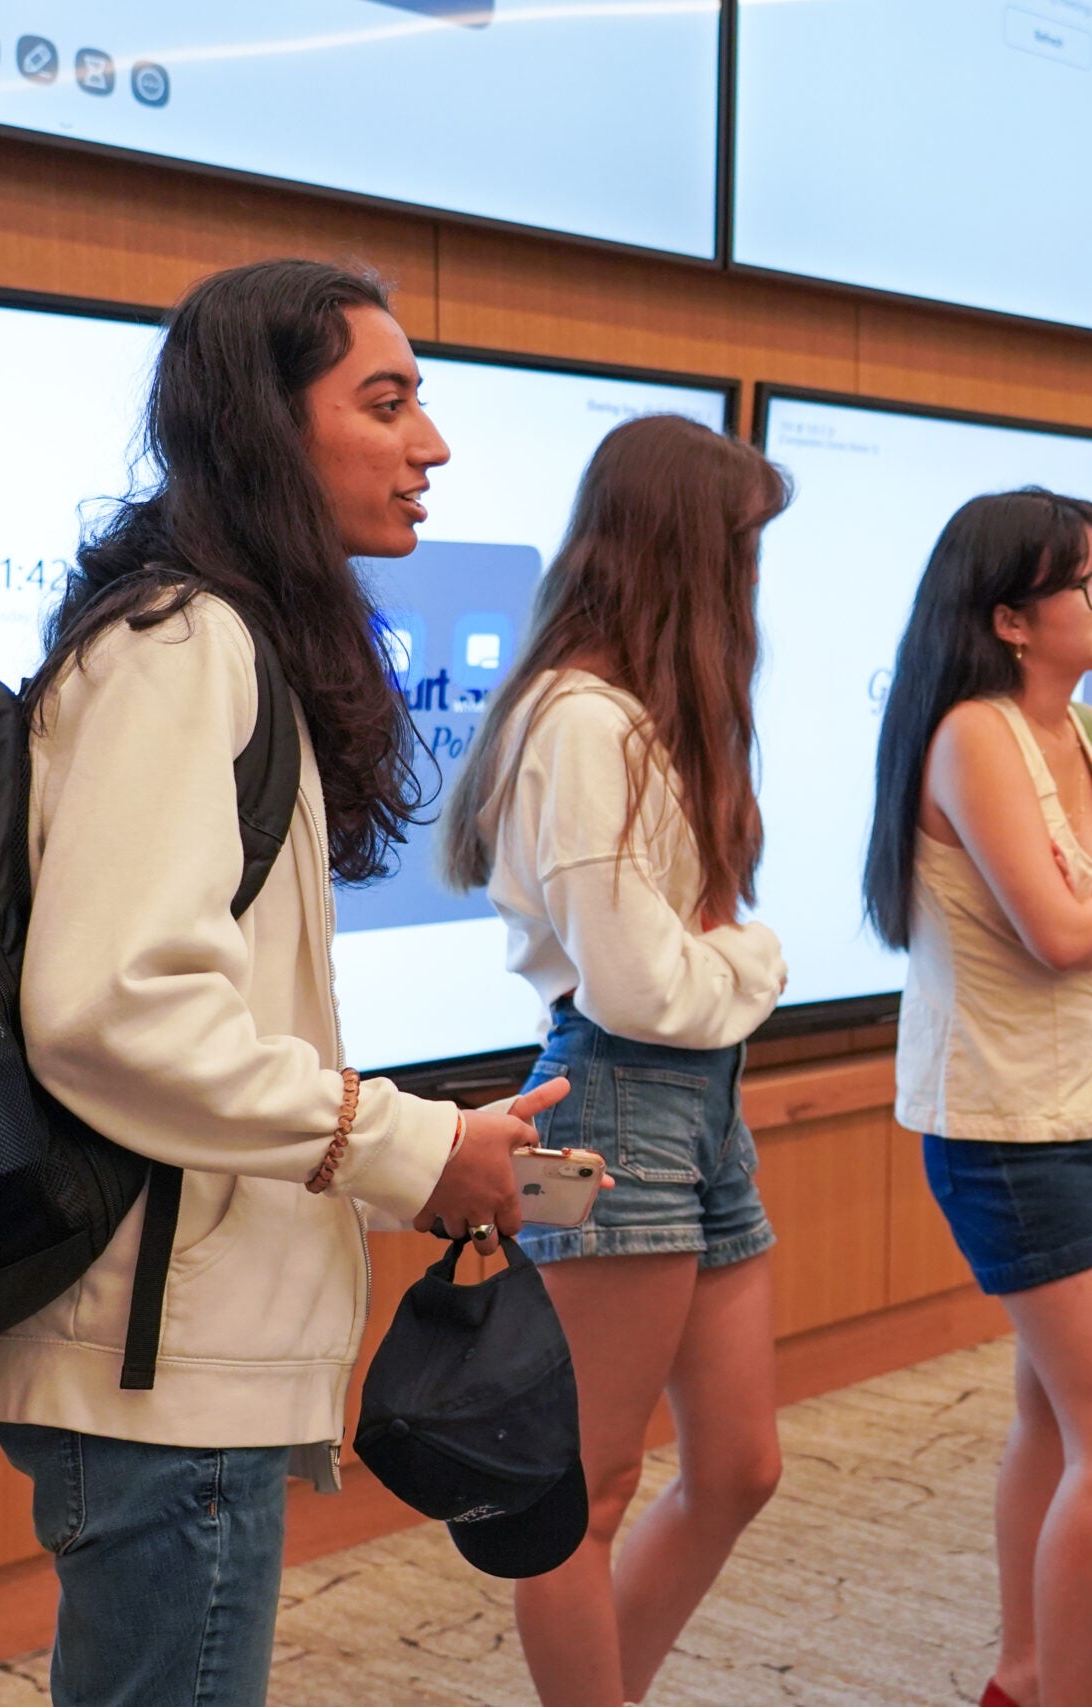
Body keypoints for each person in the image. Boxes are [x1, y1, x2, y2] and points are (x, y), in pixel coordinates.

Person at [0, 258, 562, 1707]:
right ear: (267, 426)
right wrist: (412, 1144)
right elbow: (119, 1010)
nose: (434, 445)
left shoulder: (222, 637)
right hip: (163, 1360)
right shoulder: (181, 643)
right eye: (386, 400)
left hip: (185, 1338)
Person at [439, 414, 792, 1707]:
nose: (754, 582)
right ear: (684, 550)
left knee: (740, 1460)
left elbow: (673, 966)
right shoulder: (581, 720)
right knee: (580, 1489)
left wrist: (720, 958)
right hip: (610, 1102)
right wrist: (754, 962)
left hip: (692, 1105)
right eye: (744, 549)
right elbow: (644, 984)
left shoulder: (632, 715)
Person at [863, 489, 1092, 1707]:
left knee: (1054, 1412)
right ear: (1007, 617)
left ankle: (1022, 1676)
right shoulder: (974, 735)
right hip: (1003, 1123)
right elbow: (1067, 931)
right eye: (1085, 581)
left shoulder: (1089, 733)